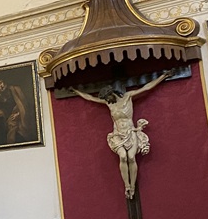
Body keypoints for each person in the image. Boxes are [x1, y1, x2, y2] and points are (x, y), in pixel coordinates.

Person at [71, 71, 171, 199]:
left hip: (130, 132)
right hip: (118, 134)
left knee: (131, 157)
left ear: (112, 93)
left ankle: (132, 186)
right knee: (123, 157)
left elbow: (146, 88)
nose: (107, 100)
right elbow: (90, 98)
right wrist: (77, 92)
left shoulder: (128, 97)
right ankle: (127, 186)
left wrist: (162, 77)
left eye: (107, 97)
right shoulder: (109, 104)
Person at [0, 78, 32, 146]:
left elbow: (24, 104)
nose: (0, 86)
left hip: (18, 113)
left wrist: (18, 114)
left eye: (0, 83)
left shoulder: (15, 89)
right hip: (7, 115)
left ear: (4, 82)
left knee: (13, 127)